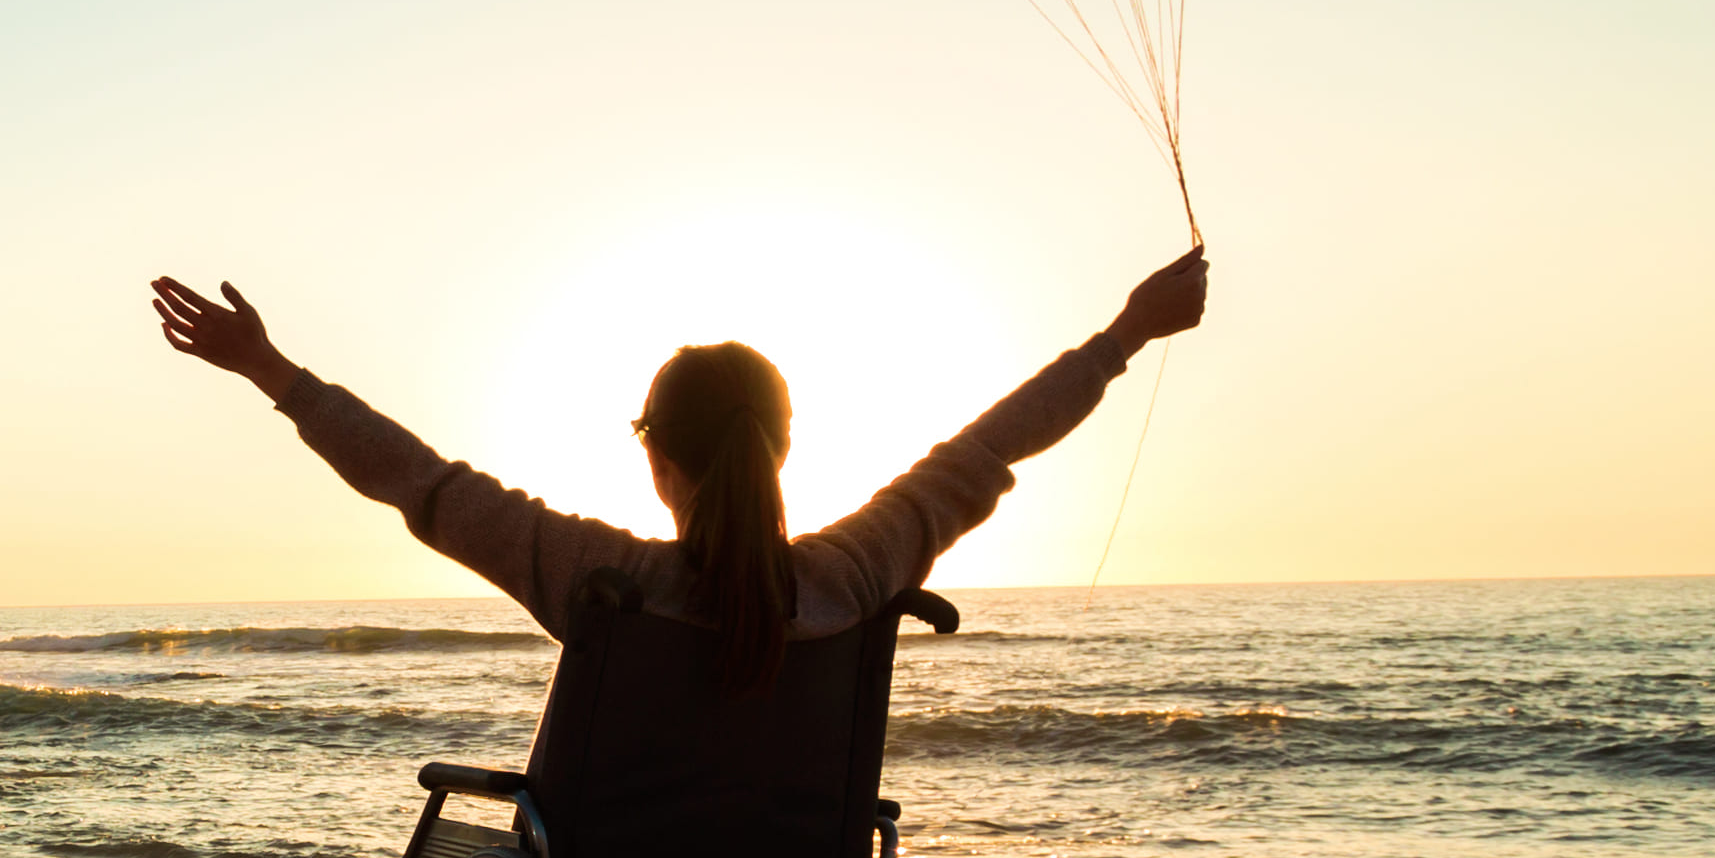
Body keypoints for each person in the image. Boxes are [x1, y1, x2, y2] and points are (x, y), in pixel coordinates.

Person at [147, 250, 1208, 686]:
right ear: (784, 445)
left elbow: (419, 482)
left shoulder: (601, 581)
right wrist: (1125, 332)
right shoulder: (852, 577)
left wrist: (271, 372)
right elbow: (989, 444)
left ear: (657, 456)